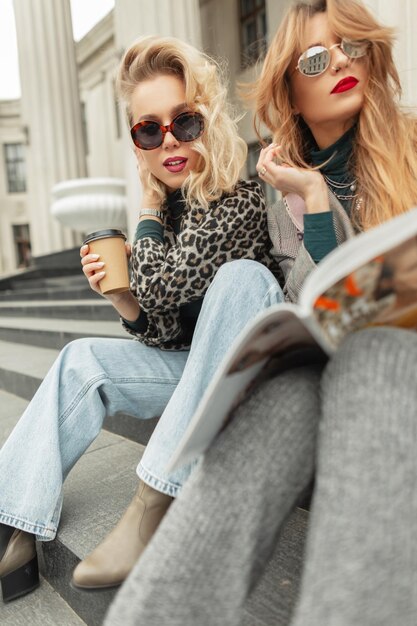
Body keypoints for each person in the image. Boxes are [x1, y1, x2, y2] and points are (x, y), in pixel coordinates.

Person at [103, 1, 417, 625]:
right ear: (291, 91)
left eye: (352, 47)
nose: (342, 64)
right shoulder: (286, 185)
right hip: (336, 359)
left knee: (374, 355)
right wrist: (315, 203)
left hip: (395, 358)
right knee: (289, 395)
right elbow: (318, 305)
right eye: (317, 58)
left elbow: (164, 287)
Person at [0, 35, 284, 603]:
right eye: (149, 130)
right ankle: (12, 521)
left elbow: (160, 283)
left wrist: (148, 212)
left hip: (254, 377)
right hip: (196, 375)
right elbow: (166, 328)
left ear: (210, 121)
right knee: (81, 357)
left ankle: (154, 498)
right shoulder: (177, 208)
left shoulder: (240, 197)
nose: (169, 141)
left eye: (185, 121)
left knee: (241, 279)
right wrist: (121, 302)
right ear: (137, 142)